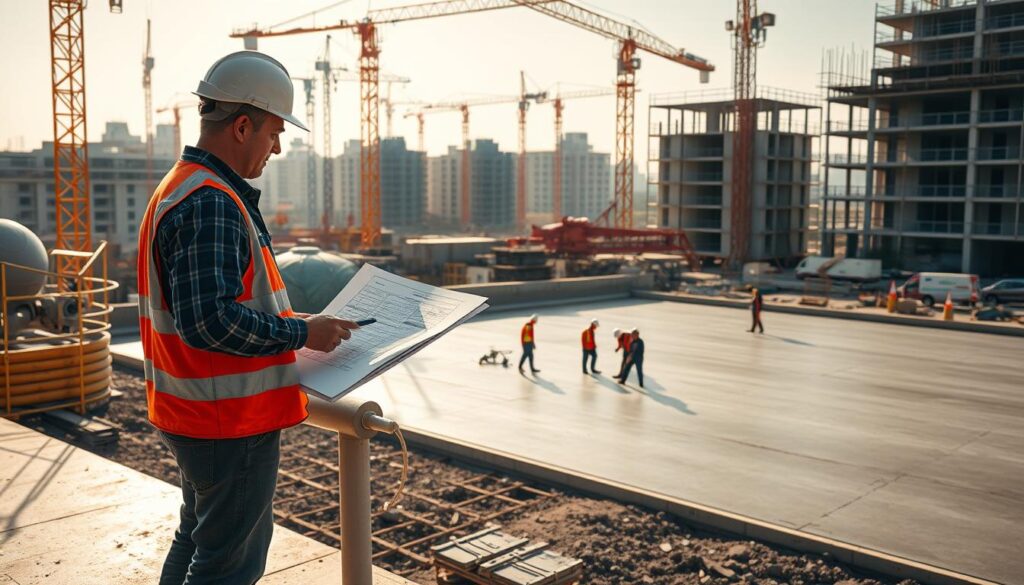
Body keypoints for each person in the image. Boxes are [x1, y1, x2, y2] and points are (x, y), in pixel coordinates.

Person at [137, 50, 360, 585]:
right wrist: (303, 332)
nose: (277, 147)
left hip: (198, 413)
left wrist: (291, 318)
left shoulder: (183, 185)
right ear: (242, 126)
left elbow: (217, 303)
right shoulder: (211, 201)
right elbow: (210, 321)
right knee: (228, 566)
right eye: (274, 133)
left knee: (196, 540)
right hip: (227, 422)